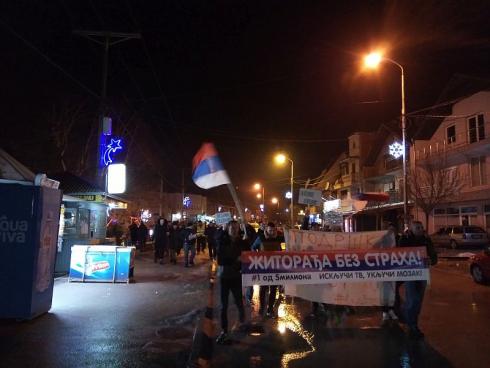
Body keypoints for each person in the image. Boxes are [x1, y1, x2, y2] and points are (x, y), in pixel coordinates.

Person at [399, 221, 438, 339]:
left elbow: (433, 255)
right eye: (417, 228)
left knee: (418, 301)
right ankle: (411, 323)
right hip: (409, 274)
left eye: (421, 227)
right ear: (411, 229)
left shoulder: (426, 240)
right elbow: (398, 254)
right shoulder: (405, 239)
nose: (420, 229)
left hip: (422, 274)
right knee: (413, 299)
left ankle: (413, 322)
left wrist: (432, 260)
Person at [215, 220, 249, 344]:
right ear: (228, 228)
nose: (234, 230)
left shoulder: (242, 242)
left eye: (236, 228)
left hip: (236, 276)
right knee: (223, 306)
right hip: (224, 277)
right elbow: (221, 260)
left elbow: (249, 254)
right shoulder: (222, 241)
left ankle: (242, 322)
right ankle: (224, 330)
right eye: (231, 228)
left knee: (239, 302)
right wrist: (236, 259)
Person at [252, 222, 284, 318]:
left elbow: (290, 239)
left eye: (273, 230)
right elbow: (253, 248)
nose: (271, 232)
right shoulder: (261, 238)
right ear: (266, 230)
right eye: (270, 230)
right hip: (263, 268)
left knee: (273, 289)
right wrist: (257, 256)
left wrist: (287, 231)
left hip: (275, 267)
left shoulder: (278, 238)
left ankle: (270, 308)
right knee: (263, 288)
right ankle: (262, 307)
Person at [382, 222, 401, 321]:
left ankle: (392, 310)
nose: (391, 232)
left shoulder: (400, 240)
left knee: (394, 292)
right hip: (385, 271)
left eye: (393, 230)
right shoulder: (383, 240)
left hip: (396, 271)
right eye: (390, 231)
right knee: (385, 292)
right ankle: (385, 311)